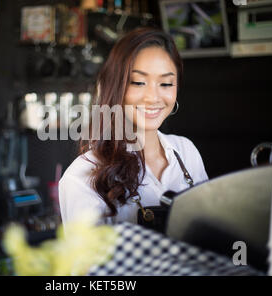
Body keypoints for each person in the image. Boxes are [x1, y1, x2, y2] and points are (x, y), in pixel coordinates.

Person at [59, 27, 208, 227]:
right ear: (116, 86)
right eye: (138, 82)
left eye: (165, 84)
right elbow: (87, 258)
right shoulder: (82, 176)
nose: (153, 97)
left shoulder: (186, 151)